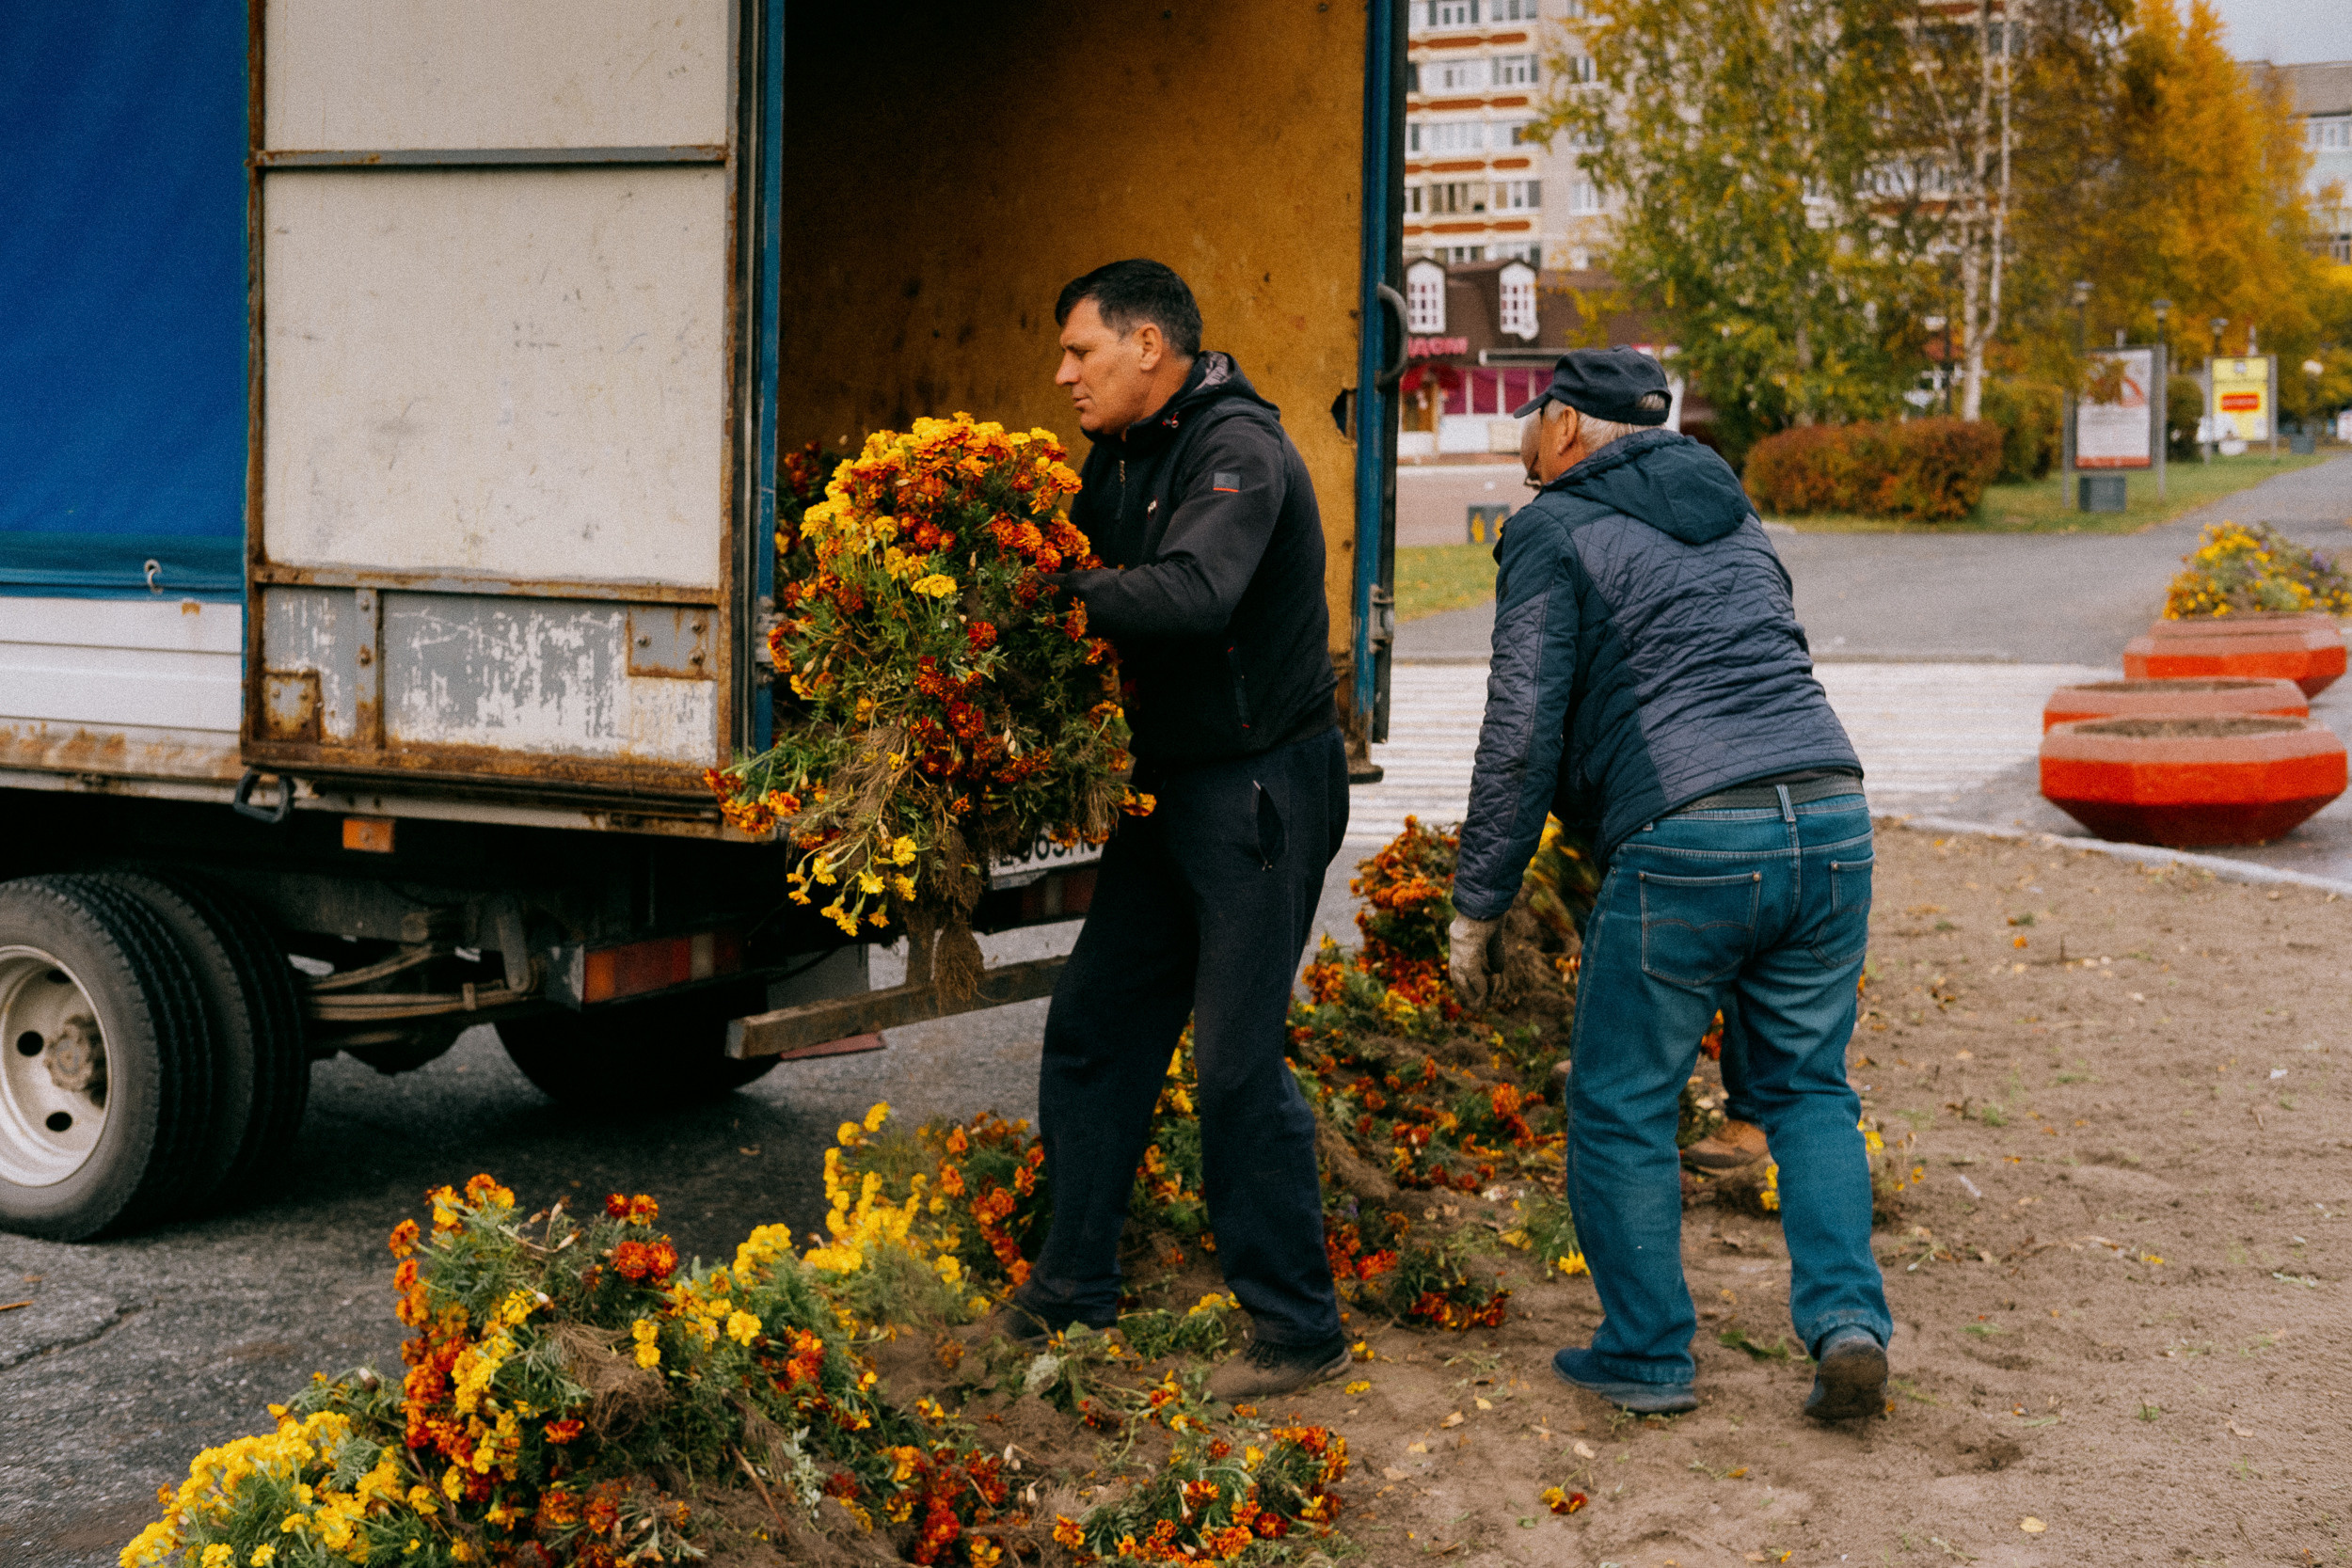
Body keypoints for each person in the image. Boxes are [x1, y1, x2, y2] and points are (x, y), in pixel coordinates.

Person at [1443, 348, 1890, 1421]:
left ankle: (1646, 1353)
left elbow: (1519, 736)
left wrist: (1478, 901)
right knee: (1810, 1088)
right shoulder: (1731, 513)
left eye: (1527, 415)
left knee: (1620, 1102)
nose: (1519, 435)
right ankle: (1847, 1324)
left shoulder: (1548, 528)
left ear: (1564, 428)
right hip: (1830, 812)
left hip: (1690, 836)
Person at [989, 259, 1352, 1402]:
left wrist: (1044, 594)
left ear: (1148, 345)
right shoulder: (1129, 452)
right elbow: (1088, 571)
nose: (1063, 377)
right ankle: (1071, 1282)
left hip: (1257, 792)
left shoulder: (1236, 447)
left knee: (1236, 1063)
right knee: (1097, 1024)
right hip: (1171, 787)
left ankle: (1298, 1327)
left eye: (1079, 352)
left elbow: (1194, 593)